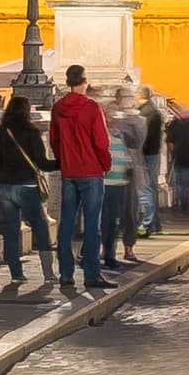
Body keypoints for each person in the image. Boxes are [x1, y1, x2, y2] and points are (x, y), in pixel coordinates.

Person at [50, 62, 116, 292]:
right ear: (85, 82)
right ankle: (91, 274)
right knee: (92, 224)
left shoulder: (58, 108)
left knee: (66, 223)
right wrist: (105, 164)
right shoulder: (92, 108)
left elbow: (54, 140)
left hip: (69, 172)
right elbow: (101, 142)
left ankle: (66, 274)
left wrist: (64, 160)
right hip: (91, 171)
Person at [0, 91, 57, 288]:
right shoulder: (32, 133)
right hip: (26, 186)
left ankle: (16, 274)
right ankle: (48, 274)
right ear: (26, 112)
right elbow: (42, 163)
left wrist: (3, 180)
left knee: (11, 230)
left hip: (5, 188)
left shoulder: (1, 135)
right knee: (40, 227)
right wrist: (62, 163)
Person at [103, 92, 142, 264]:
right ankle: (107, 250)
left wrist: (129, 122)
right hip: (107, 180)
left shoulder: (125, 130)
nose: (113, 116)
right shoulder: (101, 132)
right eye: (110, 113)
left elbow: (137, 142)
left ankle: (129, 247)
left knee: (129, 213)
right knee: (107, 218)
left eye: (116, 112)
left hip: (126, 178)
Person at [163, 98, 189, 212]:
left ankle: (178, 202)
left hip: (178, 158)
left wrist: (174, 153)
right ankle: (184, 206)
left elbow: (170, 142)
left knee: (178, 182)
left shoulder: (174, 124)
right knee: (186, 184)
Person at [135, 94, 165, 237]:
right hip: (153, 153)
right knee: (151, 188)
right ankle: (155, 224)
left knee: (146, 188)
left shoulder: (145, 113)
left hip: (146, 154)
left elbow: (142, 135)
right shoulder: (154, 111)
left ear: (139, 96)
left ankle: (147, 224)